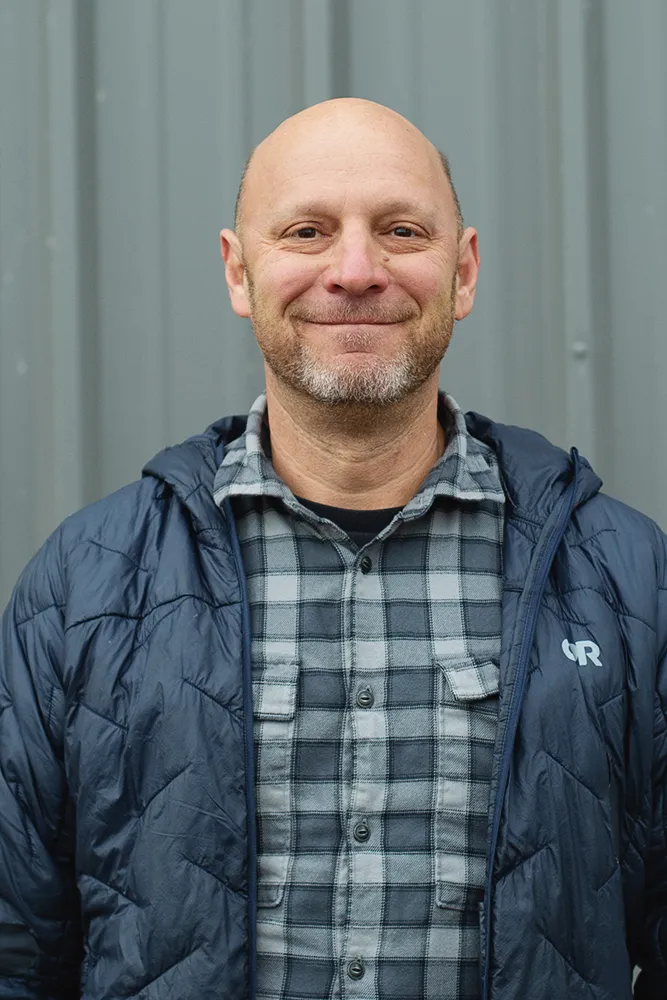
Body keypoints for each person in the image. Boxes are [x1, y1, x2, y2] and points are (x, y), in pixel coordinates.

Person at [0, 97, 664, 1000]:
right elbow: (17, 948)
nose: (355, 271)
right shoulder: (85, 587)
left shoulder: (626, 581)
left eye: (399, 230)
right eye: (307, 231)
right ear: (238, 273)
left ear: (463, 271)